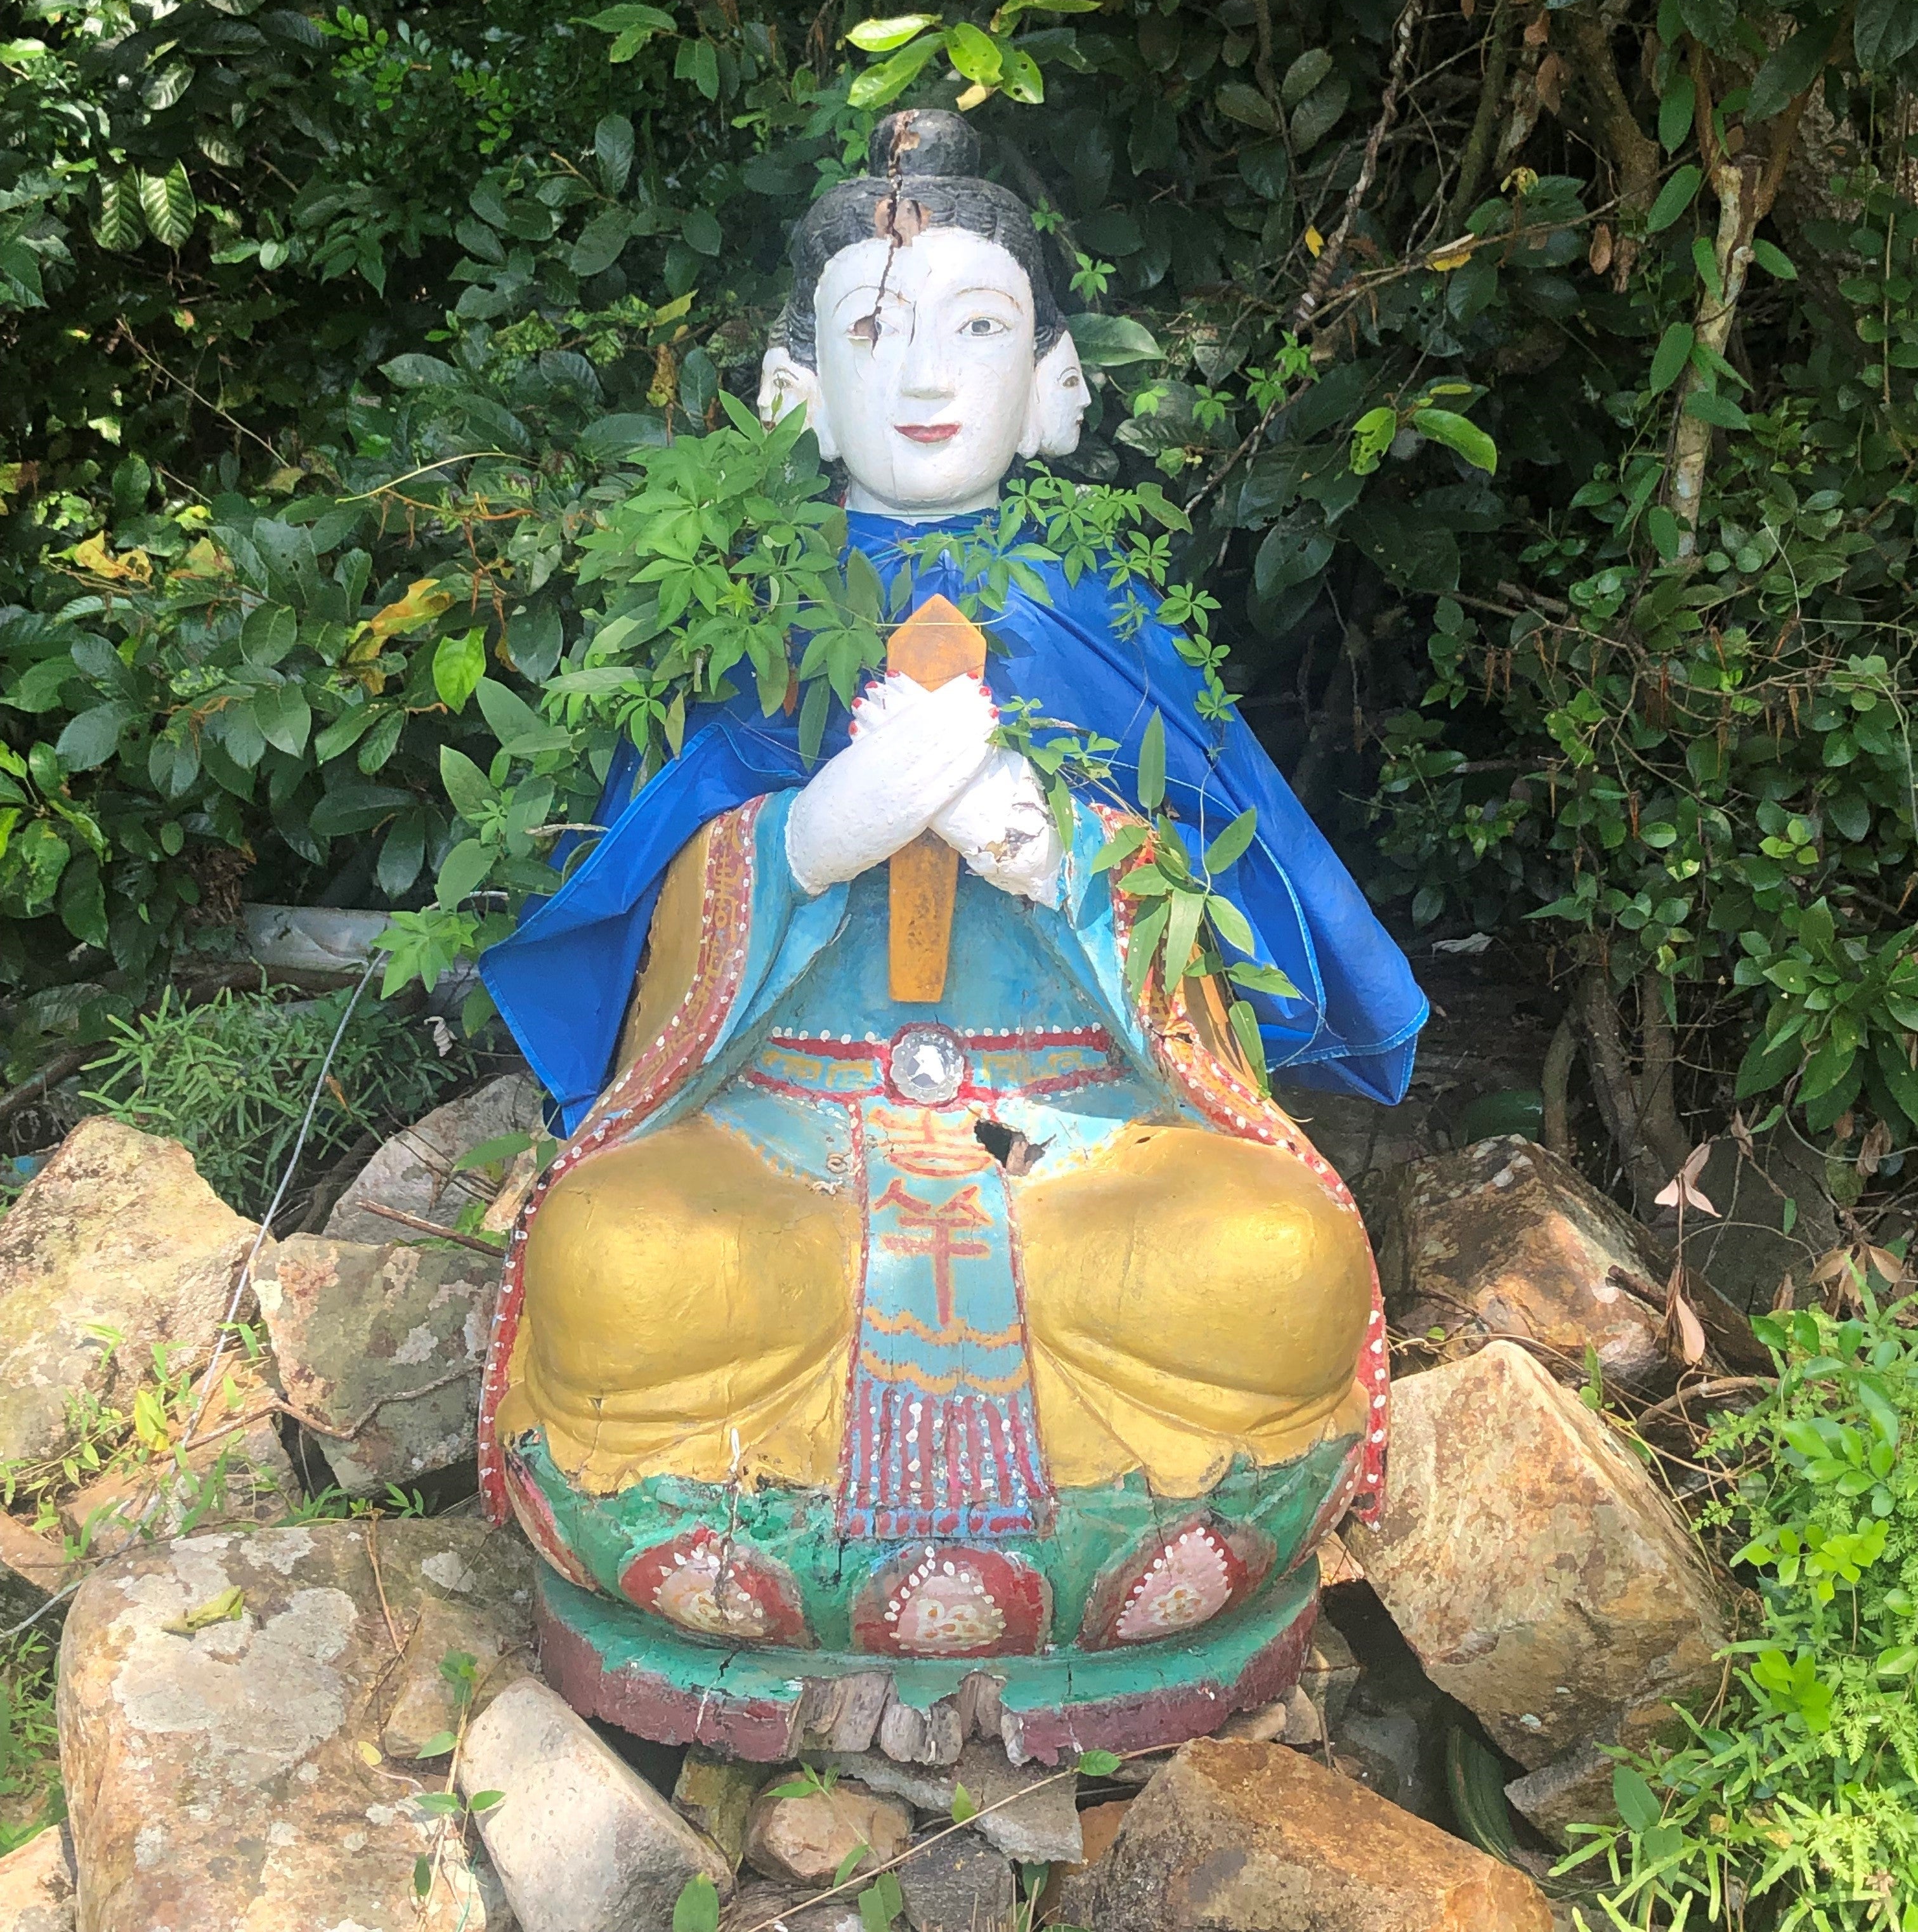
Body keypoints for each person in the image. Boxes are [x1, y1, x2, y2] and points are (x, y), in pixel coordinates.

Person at [474, 110, 1426, 1734]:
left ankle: (793, 1581)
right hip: (782, 1133)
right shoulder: (744, 617)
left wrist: (1065, 854)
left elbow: (1250, 937)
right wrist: (797, 845)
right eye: (872, 328)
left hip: (1081, 1136)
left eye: (978, 327)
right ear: (794, 394)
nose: (926, 373)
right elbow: (627, 944)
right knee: (615, 1268)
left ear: (1053, 383)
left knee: (1275, 1265)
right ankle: (1097, 1574)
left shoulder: (1104, 617)